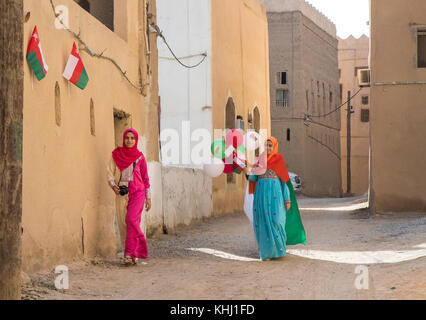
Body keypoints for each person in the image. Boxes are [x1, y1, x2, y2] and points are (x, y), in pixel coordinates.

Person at [243, 136, 305, 261]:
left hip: (276, 195)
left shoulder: (279, 160)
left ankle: (278, 251)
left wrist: (287, 199)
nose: (268, 148)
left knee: (277, 221)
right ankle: (266, 253)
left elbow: (284, 182)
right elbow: (253, 178)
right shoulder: (259, 160)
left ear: (275, 146)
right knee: (263, 222)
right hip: (261, 195)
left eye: (270, 145)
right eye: (266, 145)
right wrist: (245, 170)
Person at [107, 128, 151, 265]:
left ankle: (135, 249)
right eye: (127, 137)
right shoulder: (116, 154)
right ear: (124, 139)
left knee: (131, 220)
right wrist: (114, 186)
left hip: (138, 192)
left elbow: (145, 177)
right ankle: (130, 255)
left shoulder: (140, 157)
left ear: (136, 140)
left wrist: (148, 197)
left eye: (132, 138)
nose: (129, 140)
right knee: (123, 223)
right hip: (121, 192)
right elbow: (109, 173)